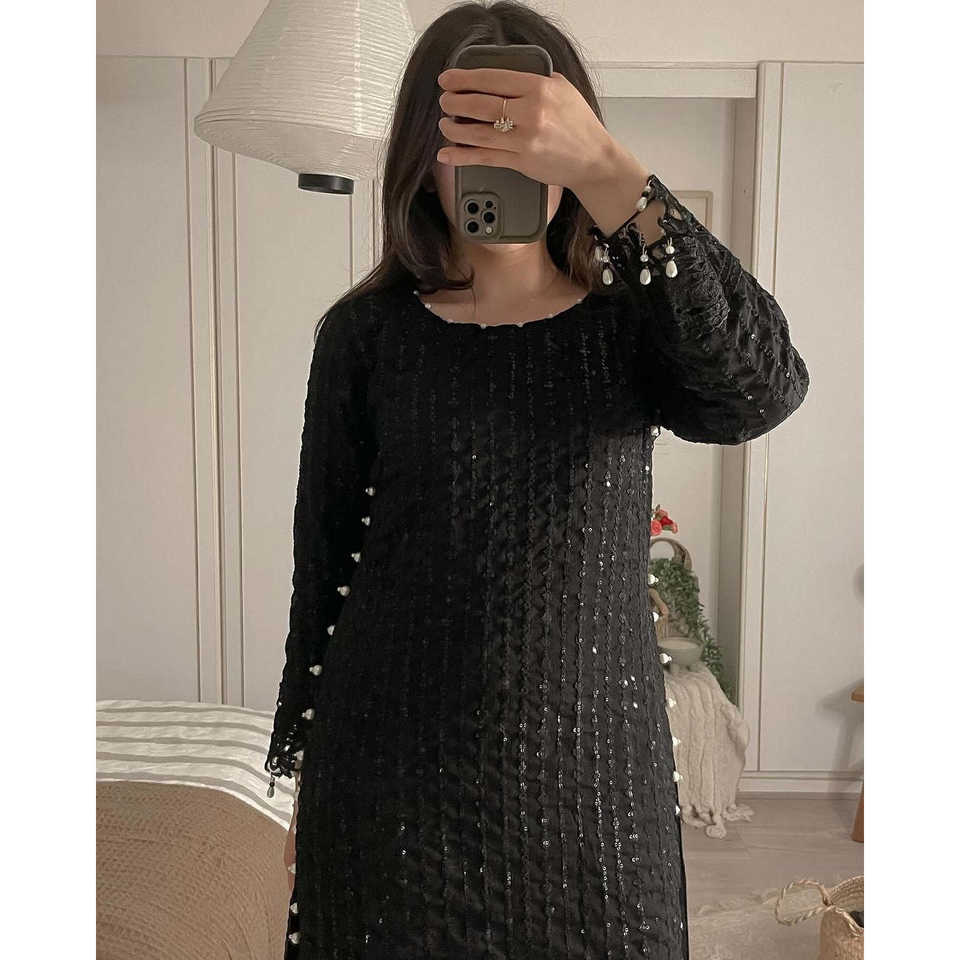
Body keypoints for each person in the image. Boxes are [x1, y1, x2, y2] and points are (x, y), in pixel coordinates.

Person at [265, 3, 810, 958]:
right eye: (472, 138)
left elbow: (761, 391)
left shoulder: (633, 325)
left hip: (595, 785)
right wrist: (307, 775)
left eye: (531, 137)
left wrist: (614, 176)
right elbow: (328, 568)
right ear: (423, 156)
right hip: (388, 776)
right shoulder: (366, 336)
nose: (503, 163)